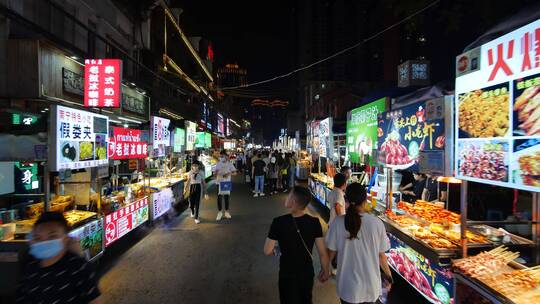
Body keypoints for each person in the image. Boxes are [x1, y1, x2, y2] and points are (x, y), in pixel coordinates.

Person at [325, 183, 392, 304]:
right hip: (370, 287)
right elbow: (381, 255)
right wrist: (388, 276)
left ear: (346, 200)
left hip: (347, 287)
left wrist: (325, 269)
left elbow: (331, 252)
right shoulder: (376, 223)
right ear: (365, 200)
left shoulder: (337, 223)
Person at [17, 212, 101, 304]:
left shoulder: (77, 267)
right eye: (38, 238)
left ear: (65, 239)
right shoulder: (29, 267)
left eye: (52, 236)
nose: (44, 242)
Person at [264, 186, 330, 304]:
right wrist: (326, 270)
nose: (287, 197)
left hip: (287, 273)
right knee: (306, 300)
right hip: (307, 273)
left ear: (293, 201)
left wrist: (278, 250)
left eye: (289, 195)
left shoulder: (278, 222)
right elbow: (322, 252)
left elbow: (267, 250)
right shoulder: (314, 222)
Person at [213, 150, 237, 221]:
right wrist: (216, 172)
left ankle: (227, 211)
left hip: (226, 182)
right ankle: (220, 212)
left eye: (223, 156)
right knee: (219, 197)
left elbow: (235, 173)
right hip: (219, 182)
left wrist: (229, 174)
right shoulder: (218, 164)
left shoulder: (229, 164)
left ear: (226, 156)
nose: (222, 157)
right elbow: (214, 175)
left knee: (226, 197)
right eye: (221, 156)